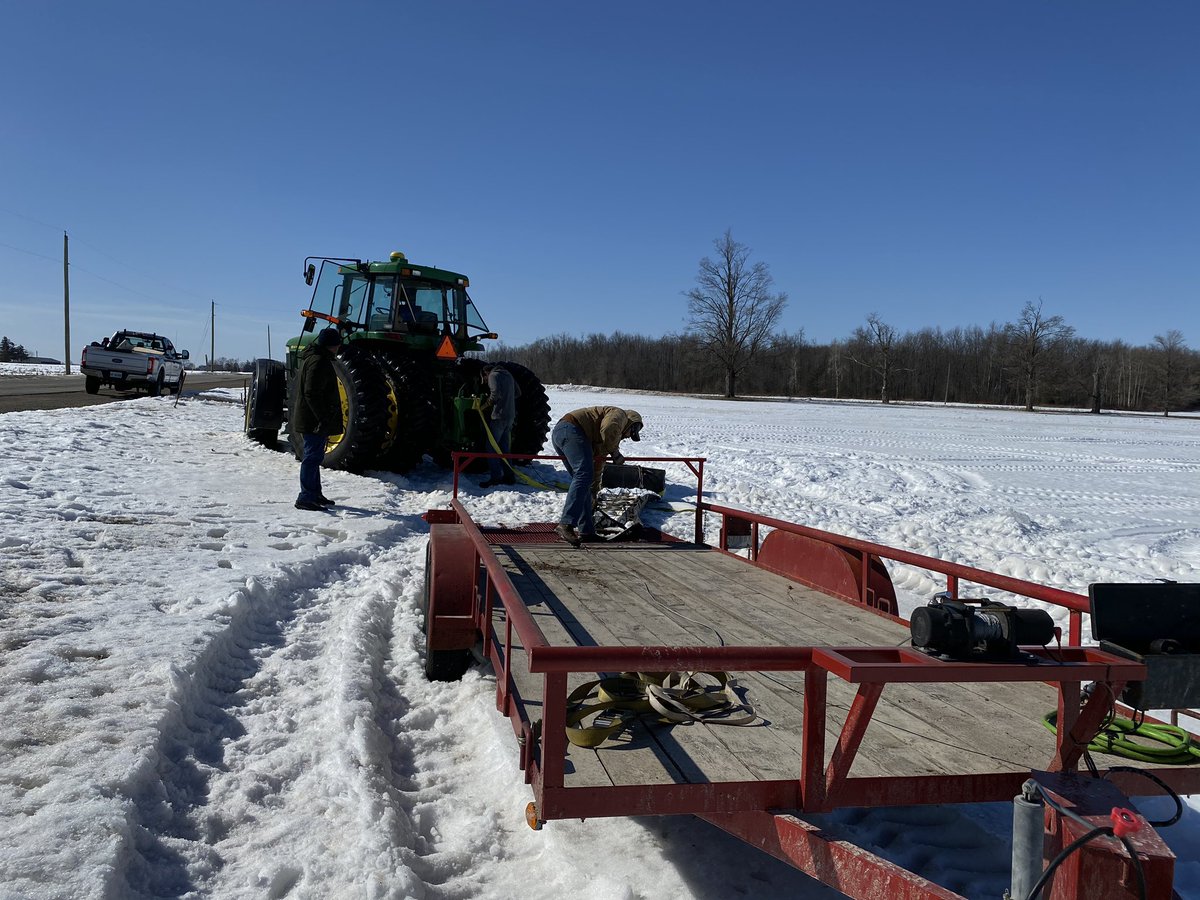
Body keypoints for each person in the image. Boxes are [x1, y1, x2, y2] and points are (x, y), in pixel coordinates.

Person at [550, 406, 643, 545]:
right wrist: (615, 453)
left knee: (585, 483)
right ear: (631, 424)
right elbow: (608, 428)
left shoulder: (605, 440)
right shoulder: (620, 415)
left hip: (565, 432)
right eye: (632, 433)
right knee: (583, 475)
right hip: (571, 430)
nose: (628, 436)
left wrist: (594, 491)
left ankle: (587, 532)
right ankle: (566, 524)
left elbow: (598, 466)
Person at [292, 327, 343, 511]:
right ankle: (305, 497)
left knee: (316, 456)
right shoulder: (318, 362)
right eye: (337, 343)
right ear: (331, 345)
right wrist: (322, 417)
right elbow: (311, 392)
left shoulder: (317, 358)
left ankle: (315, 493)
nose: (338, 347)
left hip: (313, 419)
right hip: (312, 420)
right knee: (311, 458)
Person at [478, 364, 520, 488]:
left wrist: (484, 406)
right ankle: (509, 476)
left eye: (484, 378)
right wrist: (508, 400)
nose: (485, 381)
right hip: (510, 416)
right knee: (504, 447)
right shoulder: (508, 375)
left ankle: (495, 477)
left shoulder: (493, 375)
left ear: (486, 373)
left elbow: (495, 395)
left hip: (499, 416)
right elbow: (518, 393)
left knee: (491, 447)